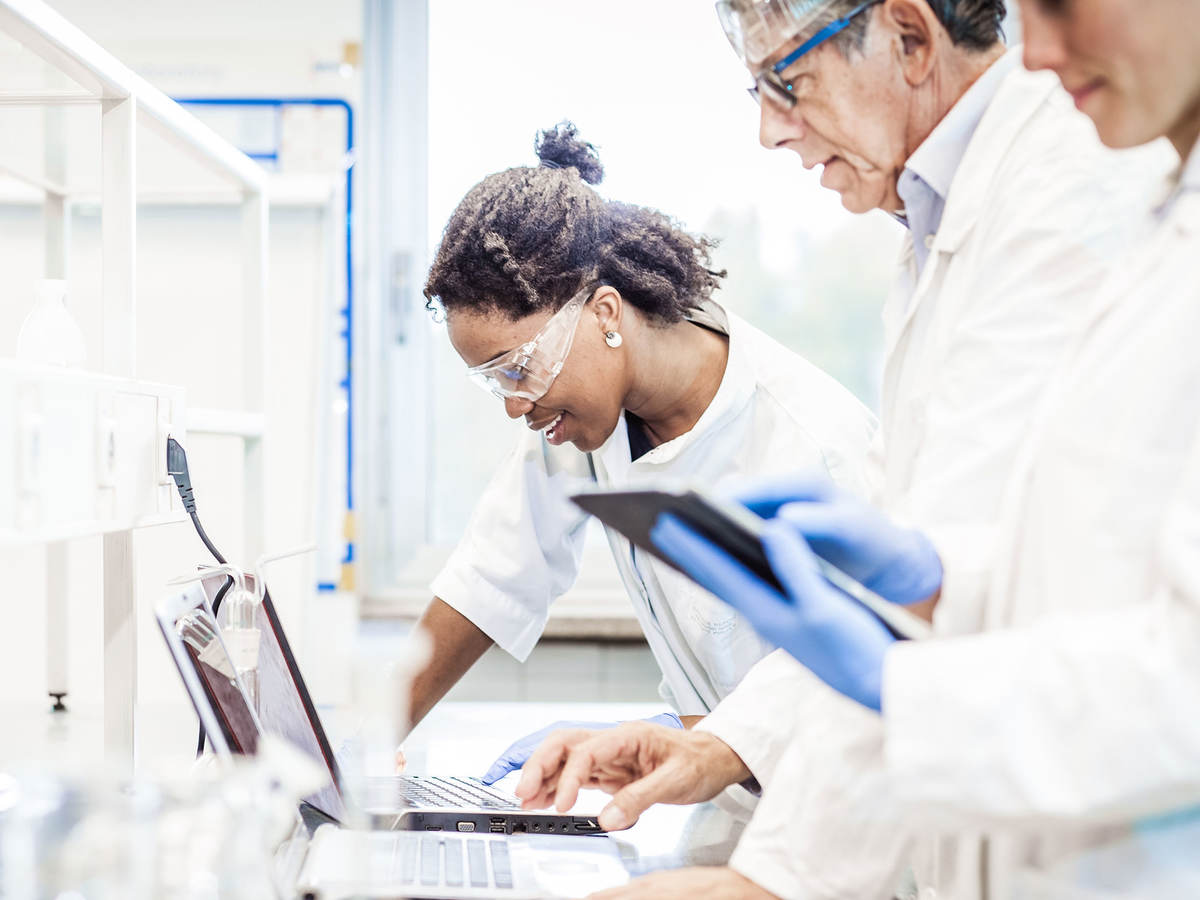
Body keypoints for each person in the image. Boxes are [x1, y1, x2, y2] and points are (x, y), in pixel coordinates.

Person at [522, 0, 1200, 897]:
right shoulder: (951, 228)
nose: (768, 130)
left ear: (911, 38)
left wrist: (771, 879)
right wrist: (926, 577)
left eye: (785, 84)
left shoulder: (1070, 189)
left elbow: (1166, 670)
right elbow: (1064, 555)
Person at [410, 122, 876, 784]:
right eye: (493, 383)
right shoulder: (581, 420)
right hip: (722, 805)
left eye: (516, 369)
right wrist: (353, 748)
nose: (515, 405)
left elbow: (856, 697)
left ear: (604, 313)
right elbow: (491, 575)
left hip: (835, 835)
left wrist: (686, 744)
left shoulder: (814, 445)